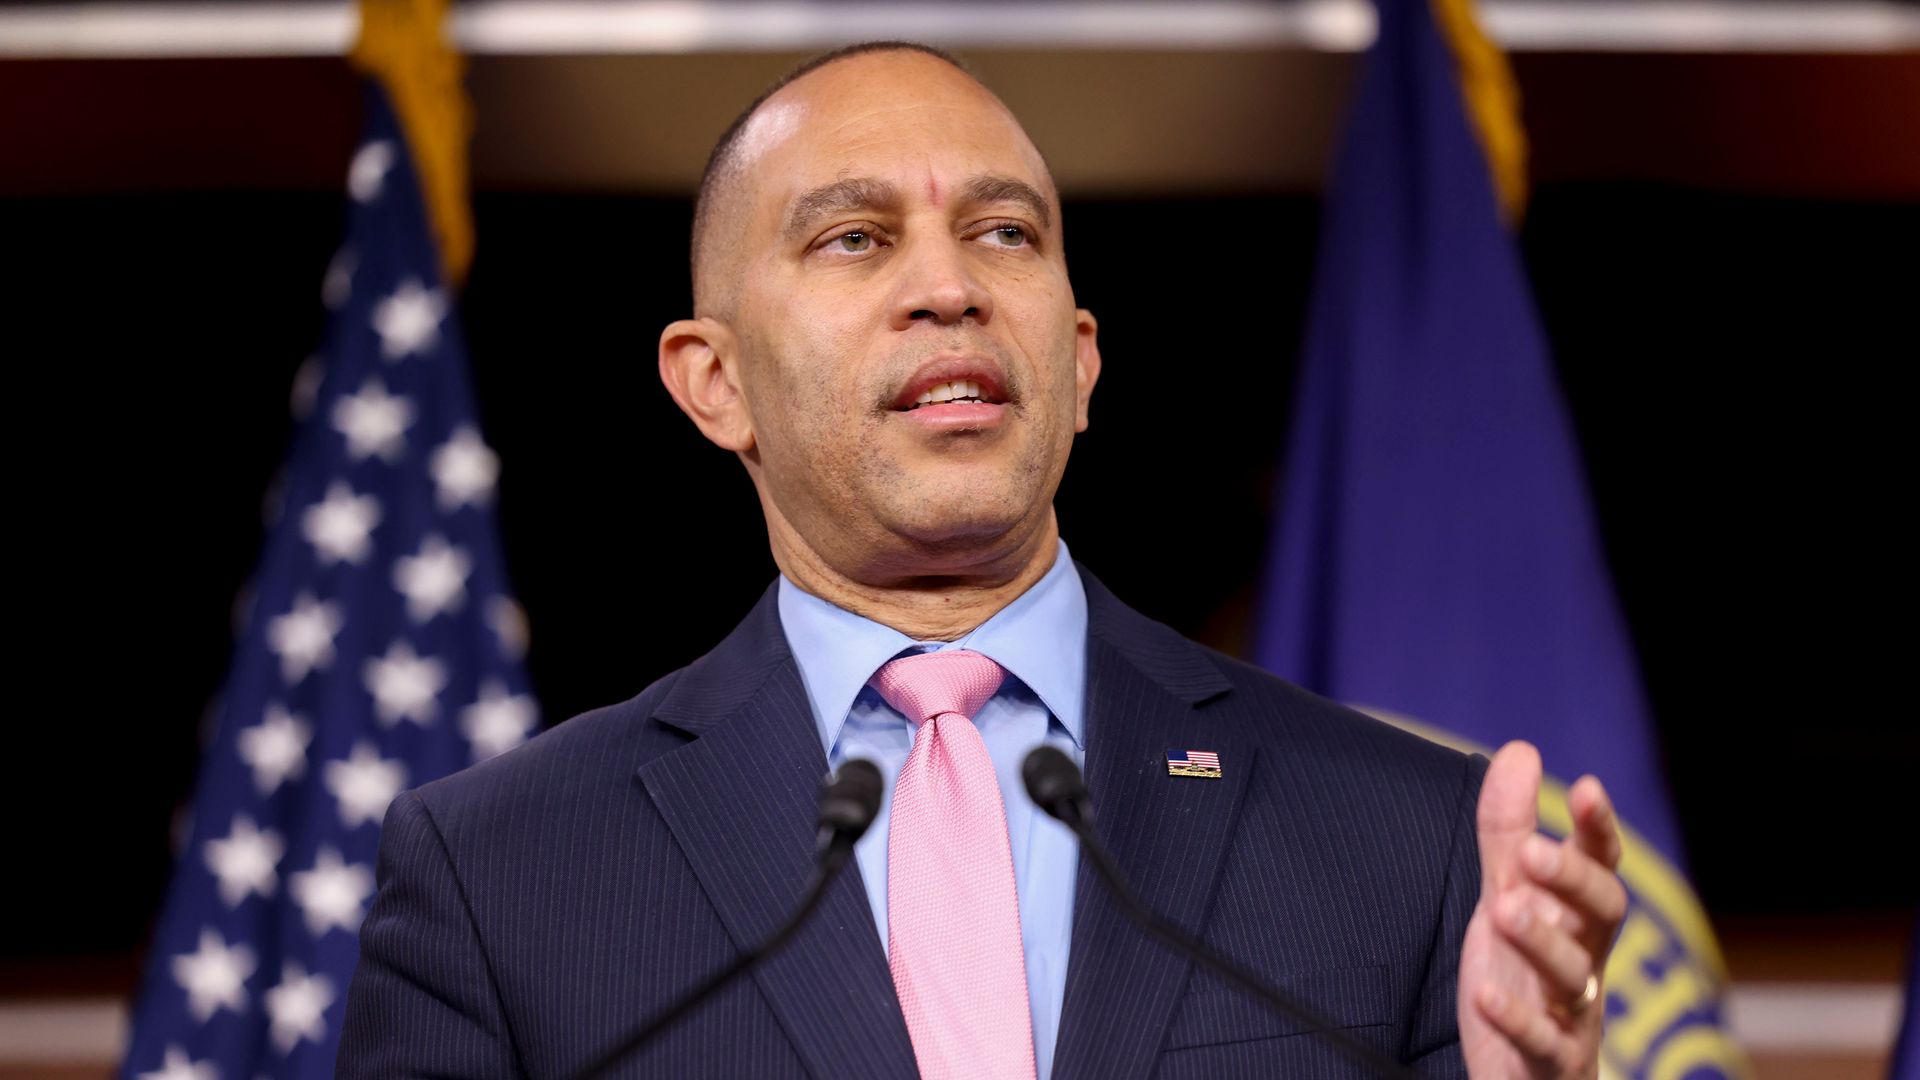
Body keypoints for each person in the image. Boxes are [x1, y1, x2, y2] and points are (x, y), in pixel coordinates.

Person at [339, 41, 1628, 1079]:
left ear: (1077, 365)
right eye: (854, 237)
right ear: (714, 383)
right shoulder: (501, 875)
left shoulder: (1398, 836)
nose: (949, 287)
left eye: (1005, 233)